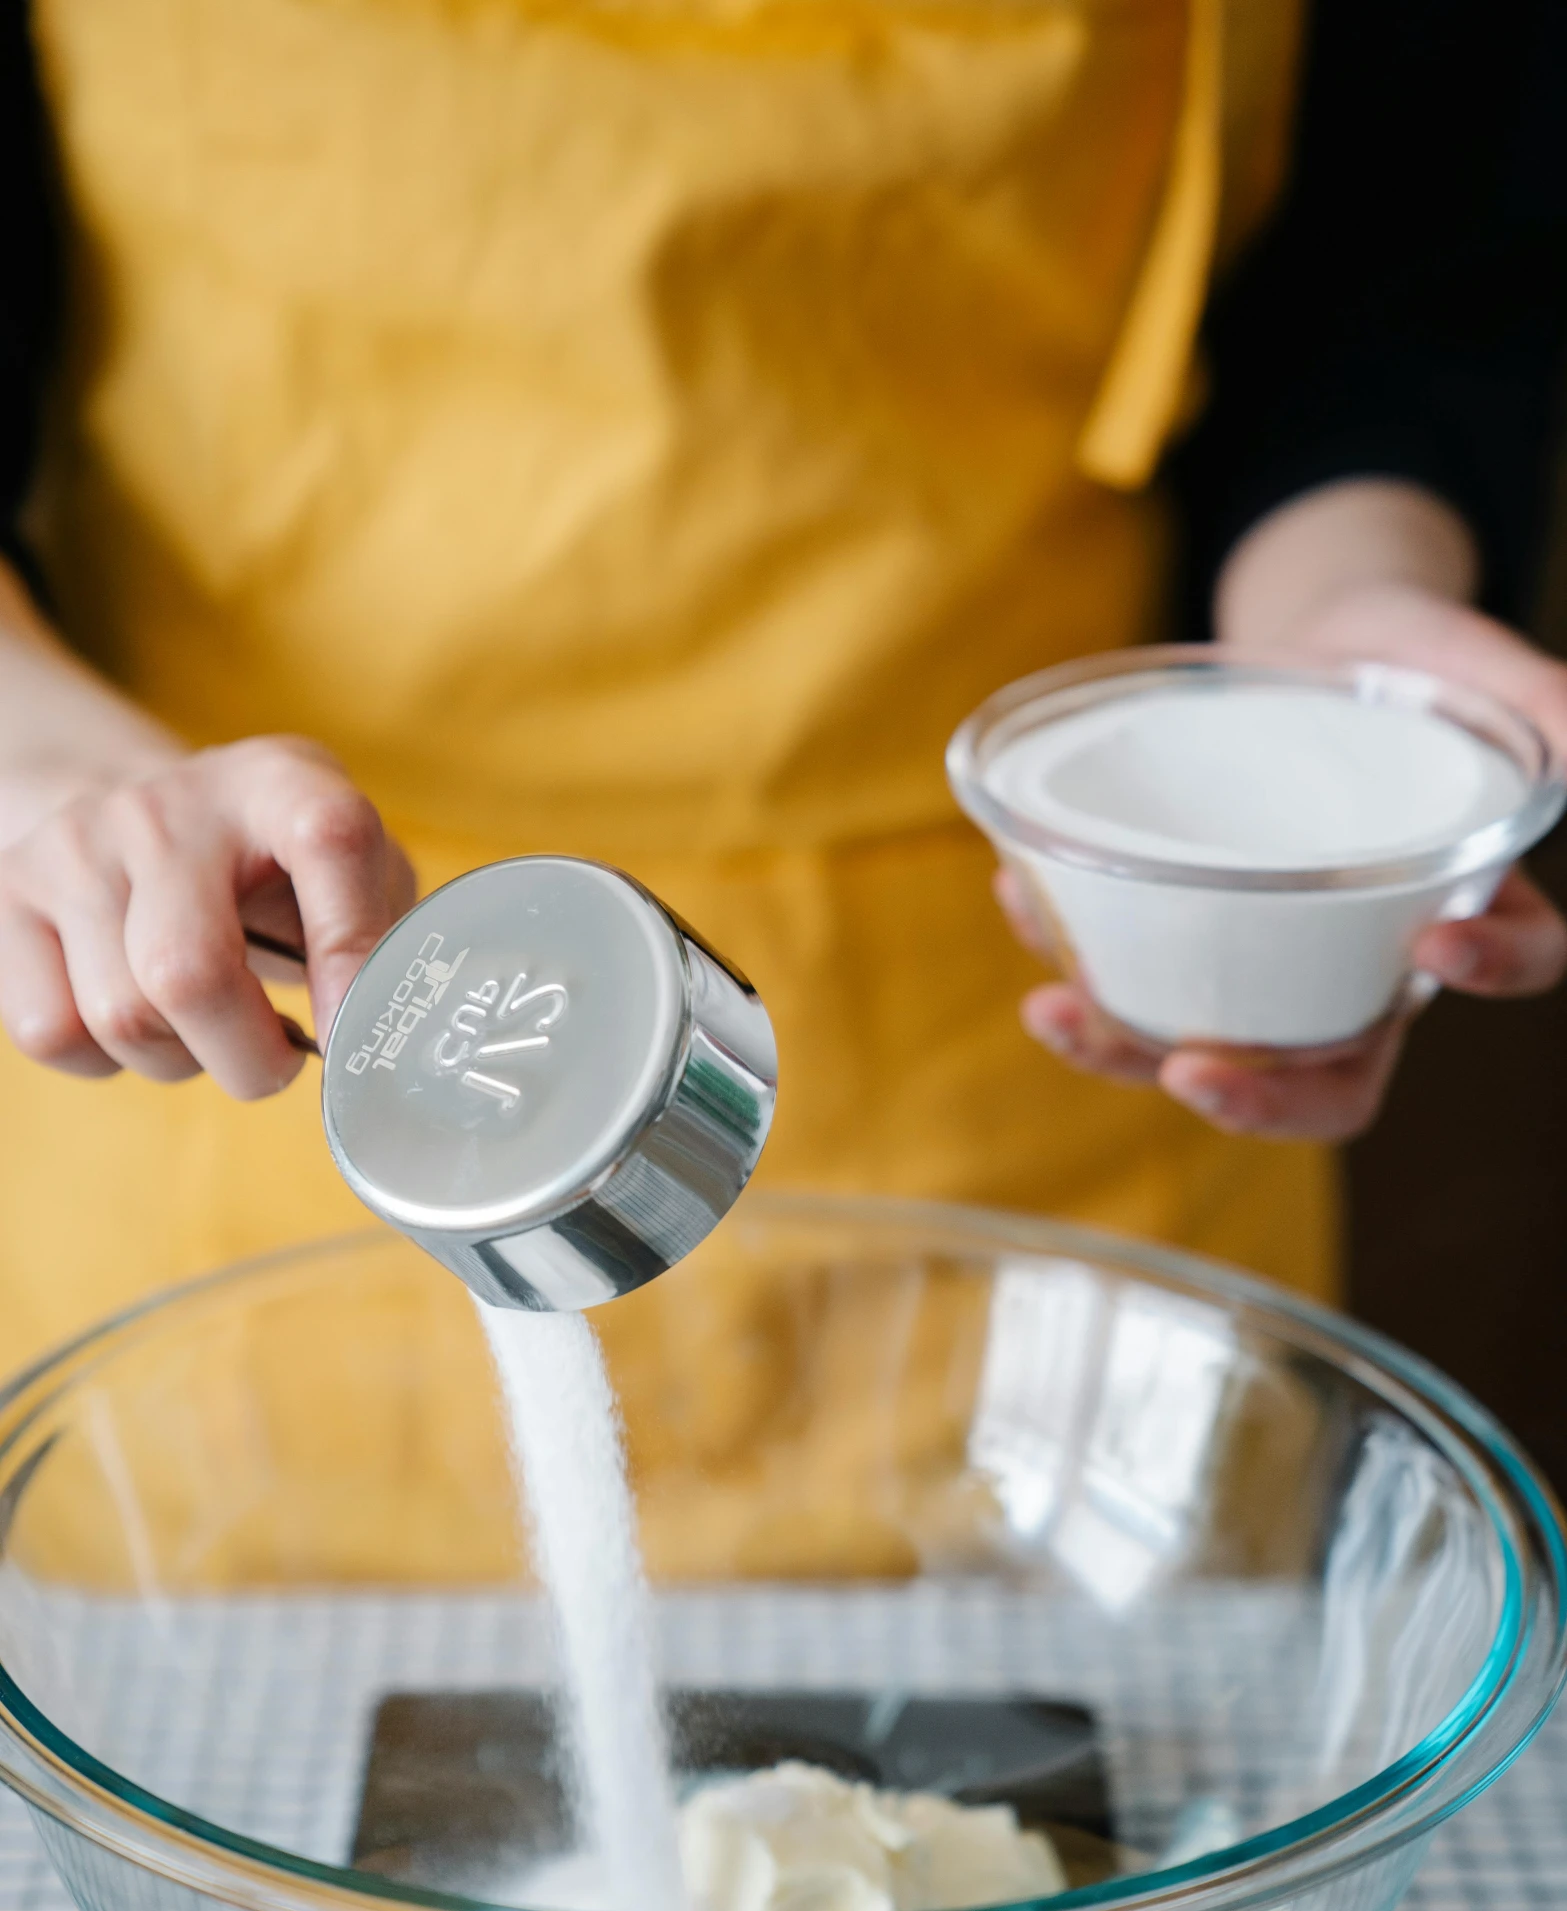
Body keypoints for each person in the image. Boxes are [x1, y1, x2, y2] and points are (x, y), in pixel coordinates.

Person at [1, 0, 1565, 1373]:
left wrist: (1328, 672)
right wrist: (66, 793)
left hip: (1039, 1023)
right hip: (245, 1032)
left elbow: (1397, 273)